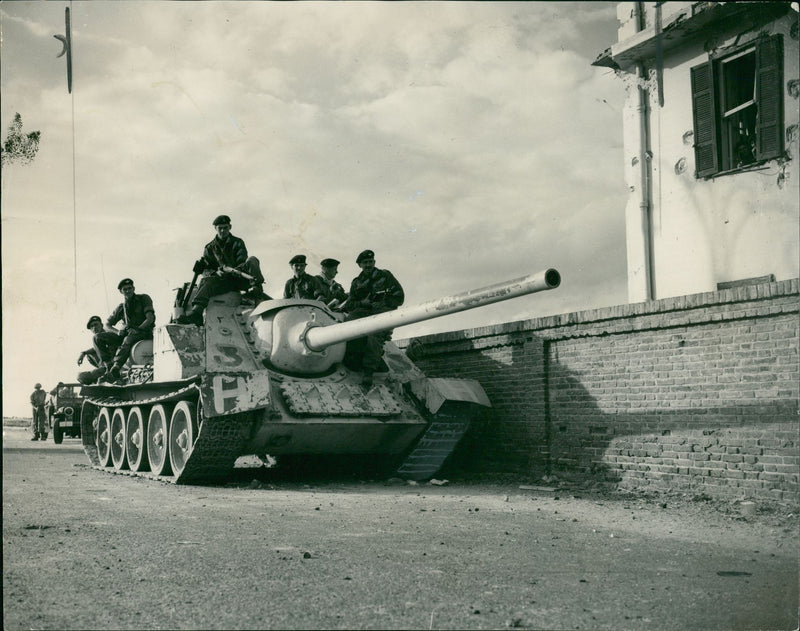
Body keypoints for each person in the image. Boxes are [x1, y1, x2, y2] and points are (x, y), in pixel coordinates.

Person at [177, 215, 266, 325]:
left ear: (230, 227)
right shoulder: (209, 248)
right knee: (206, 281)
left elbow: (242, 261)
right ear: (215, 228)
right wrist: (215, 272)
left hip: (240, 279)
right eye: (220, 228)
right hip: (224, 282)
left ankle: (258, 295)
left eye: (225, 227)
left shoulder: (238, 243)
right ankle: (197, 313)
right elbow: (206, 269)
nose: (223, 231)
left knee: (253, 260)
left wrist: (232, 270)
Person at [344, 249, 404, 388]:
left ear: (374, 262)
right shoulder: (357, 282)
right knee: (347, 327)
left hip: (382, 312)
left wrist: (384, 302)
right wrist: (362, 303)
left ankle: (368, 371)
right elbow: (349, 305)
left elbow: (399, 297)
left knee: (374, 334)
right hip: (365, 311)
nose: (369, 265)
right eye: (365, 262)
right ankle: (353, 361)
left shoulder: (385, 275)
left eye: (371, 262)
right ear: (360, 265)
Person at [105, 278, 156, 382]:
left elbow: (149, 319)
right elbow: (106, 325)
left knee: (128, 339)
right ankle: (106, 366)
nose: (128, 291)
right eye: (125, 289)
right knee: (99, 338)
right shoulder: (121, 307)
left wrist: (138, 329)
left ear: (134, 288)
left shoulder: (143, 299)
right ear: (121, 291)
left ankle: (116, 366)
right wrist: (117, 332)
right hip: (130, 334)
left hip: (146, 331)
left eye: (129, 288)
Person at [77, 315, 123, 385]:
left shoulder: (110, 333)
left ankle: (109, 374)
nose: (94, 328)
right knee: (80, 376)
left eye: (96, 324)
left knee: (96, 337)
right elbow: (94, 349)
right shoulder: (99, 340)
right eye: (91, 327)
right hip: (106, 366)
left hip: (117, 364)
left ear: (101, 325)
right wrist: (83, 353)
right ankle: (103, 374)